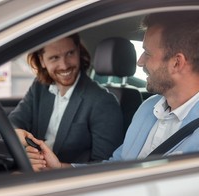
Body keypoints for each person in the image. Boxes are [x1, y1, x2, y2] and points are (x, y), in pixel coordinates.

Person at [25, 11, 199, 171]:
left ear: (177, 62)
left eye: (147, 53)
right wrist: (60, 168)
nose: (140, 62)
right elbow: (117, 167)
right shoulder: (148, 108)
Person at [11, 33, 124, 163]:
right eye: (54, 58)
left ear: (78, 52)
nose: (64, 65)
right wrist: (18, 134)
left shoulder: (102, 101)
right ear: (42, 61)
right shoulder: (40, 87)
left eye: (70, 53)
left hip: (69, 179)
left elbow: (104, 165)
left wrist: (52, 168)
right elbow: (14, 121)